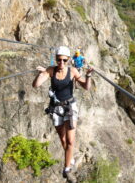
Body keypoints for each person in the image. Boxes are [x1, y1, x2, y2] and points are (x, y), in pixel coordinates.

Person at [32, 46, 93, 182]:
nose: (61, 63)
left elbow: (86, 87)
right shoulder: (51, 70)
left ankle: (67, 169)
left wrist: (88, 76)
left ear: (68, 60)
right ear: (56, 59)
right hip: (56, 108)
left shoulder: (72, 71)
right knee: (63, 139)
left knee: (71, 140)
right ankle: (69, 157)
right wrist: (40, 73)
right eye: (59, 60)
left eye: (64, 60)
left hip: (70, 107)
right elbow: (36, 85)